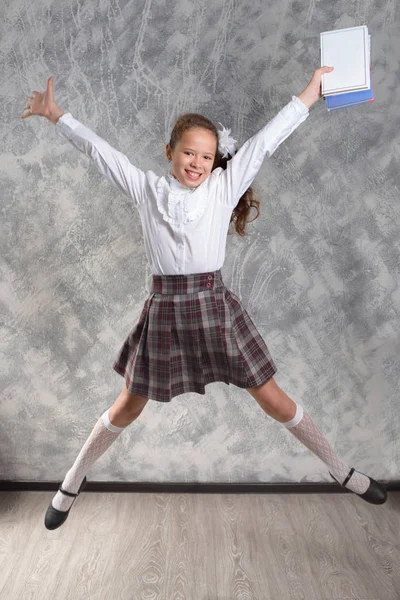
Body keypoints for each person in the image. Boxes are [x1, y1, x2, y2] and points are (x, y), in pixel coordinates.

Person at [21, 68, 387, 530]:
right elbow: (101, 152)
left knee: (272, 398)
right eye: (188, 152)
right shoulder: (146, 190)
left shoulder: (222, 187)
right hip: (166, 312)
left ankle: (342, 471)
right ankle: (71, 482)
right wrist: (57, 115)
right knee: (127, 407)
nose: (196, 162)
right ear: (169, 152)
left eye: (206, 156)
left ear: (217, 162)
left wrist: (313, 90)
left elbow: (267, 140)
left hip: (215, 309)